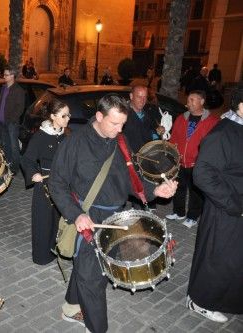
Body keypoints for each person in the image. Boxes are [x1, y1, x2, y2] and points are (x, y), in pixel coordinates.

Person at [48, 94, 177, 332]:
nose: (119, 129)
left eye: (122, 124)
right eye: (114, 123)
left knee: (90, 269)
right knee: (94, 278)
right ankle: (97, 327)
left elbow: (130, 179)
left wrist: (156, 190)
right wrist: (76, 214)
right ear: (99, 116)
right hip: (88, 217)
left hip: (116, 216)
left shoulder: (120, 140)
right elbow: (56, 183)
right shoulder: (75, 143)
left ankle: (70, 307)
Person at [186, 83, 243, 323]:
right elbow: (202, 174)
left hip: (236, 208)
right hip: (226, 210)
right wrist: (233, 205)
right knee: (216, 258)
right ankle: (200, 301)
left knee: (234, 260)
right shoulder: (223, 133)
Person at [21, 98, 70, 265]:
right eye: (64, 116)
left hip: (63, 184)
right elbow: (27, 160)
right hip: (45, 184)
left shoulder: (66, 135)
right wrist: (33, 173)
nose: (67, 119)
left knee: (59, 217)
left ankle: (58, 247)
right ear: (53, 116)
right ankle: (42, 254)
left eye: (68, 115)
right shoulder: (40, 136)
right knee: (44, 220)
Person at [166, 90, 219, 228]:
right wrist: (173, 155)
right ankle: (179, 212)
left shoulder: (212, 121)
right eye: (188, 100)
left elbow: (214, 145)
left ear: (201, 102)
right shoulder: (181, 118)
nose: (188, 103)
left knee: (196, 192)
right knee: (178, 188)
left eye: (192, 100)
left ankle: (192, 217)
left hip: (198, 163)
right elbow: (174, 139)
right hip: (180, 161)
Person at [122, 85, 164, 210]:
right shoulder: (124, 114)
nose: (142, 100)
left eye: (145, 97)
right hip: (129, 159)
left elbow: (150, 132)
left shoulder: (146, 114)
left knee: (143, 188)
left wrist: (158, 131)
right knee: (135, 188)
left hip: (145, 160)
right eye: (139, 97)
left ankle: (144, 209)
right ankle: (138, 213)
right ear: (131, 97)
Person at [0, 66, 25, 175]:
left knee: (14, 146)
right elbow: (1, 103)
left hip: (11, 123)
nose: (4, 76)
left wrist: (12, 119)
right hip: (1, 121)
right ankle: (8, 163)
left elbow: (20, 108)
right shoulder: (3, 88)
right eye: (4, 74)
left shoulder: (19, 90)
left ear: (12, 76)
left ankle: (15, 168)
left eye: (6, 75)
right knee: (5, 144)